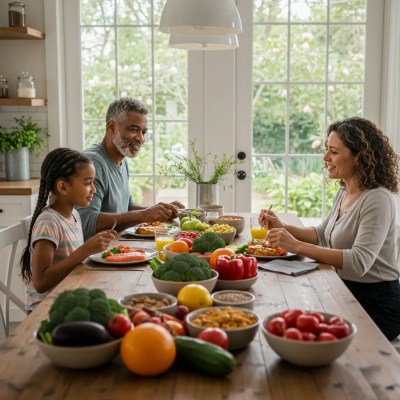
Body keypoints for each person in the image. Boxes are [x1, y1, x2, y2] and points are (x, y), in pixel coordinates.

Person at [260, 116, 400, 341]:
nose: (325, 158)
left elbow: (358, 263)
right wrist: (282, 226)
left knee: (303, 331)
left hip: (376, 304)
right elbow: (323, 234)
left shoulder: (378, 199)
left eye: (334, 152)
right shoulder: (345, 191)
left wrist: (295, 245)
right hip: (344, 290)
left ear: (359, 157)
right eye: (327, 150)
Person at [20, 148, 116, 311]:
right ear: (63, 187)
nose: (94, 189)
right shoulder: (48, 222)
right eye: (87, 183)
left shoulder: (75, 216)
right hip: (47, 309)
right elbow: (40, 283)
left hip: (69, 298)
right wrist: (86, 250)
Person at [77, 97, 185, 241]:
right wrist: (144, 215)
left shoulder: (121, 159)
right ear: (112, 127)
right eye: (133, 129)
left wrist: (159, 211)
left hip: (115, 247)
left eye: (144, 132)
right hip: (91, 258)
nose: (140, 138)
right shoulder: (94, 163)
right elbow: (85, 221)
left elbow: (126, 207)